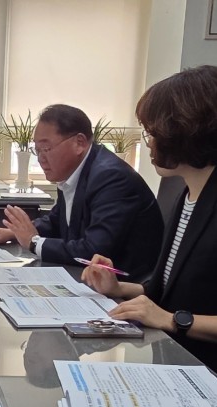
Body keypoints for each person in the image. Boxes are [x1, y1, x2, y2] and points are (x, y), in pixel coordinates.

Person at [82, 65, 217, 370]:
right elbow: (169, 290)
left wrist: (172, 320)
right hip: (176, 362)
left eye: (153, 133)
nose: (150, 143)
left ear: (186, 132)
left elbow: (171, 312)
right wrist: (117, 288)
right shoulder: (187, 195)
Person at [0, 104, 163, 280]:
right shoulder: (75, 171)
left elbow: (94, 251)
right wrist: (14, 233)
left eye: (46, 148)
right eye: (37, 150)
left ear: (79, 142)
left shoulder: (111, 177)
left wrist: (34, 242)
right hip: (85, 280)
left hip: (125, 290)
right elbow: (56, 221)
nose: (40, 159)